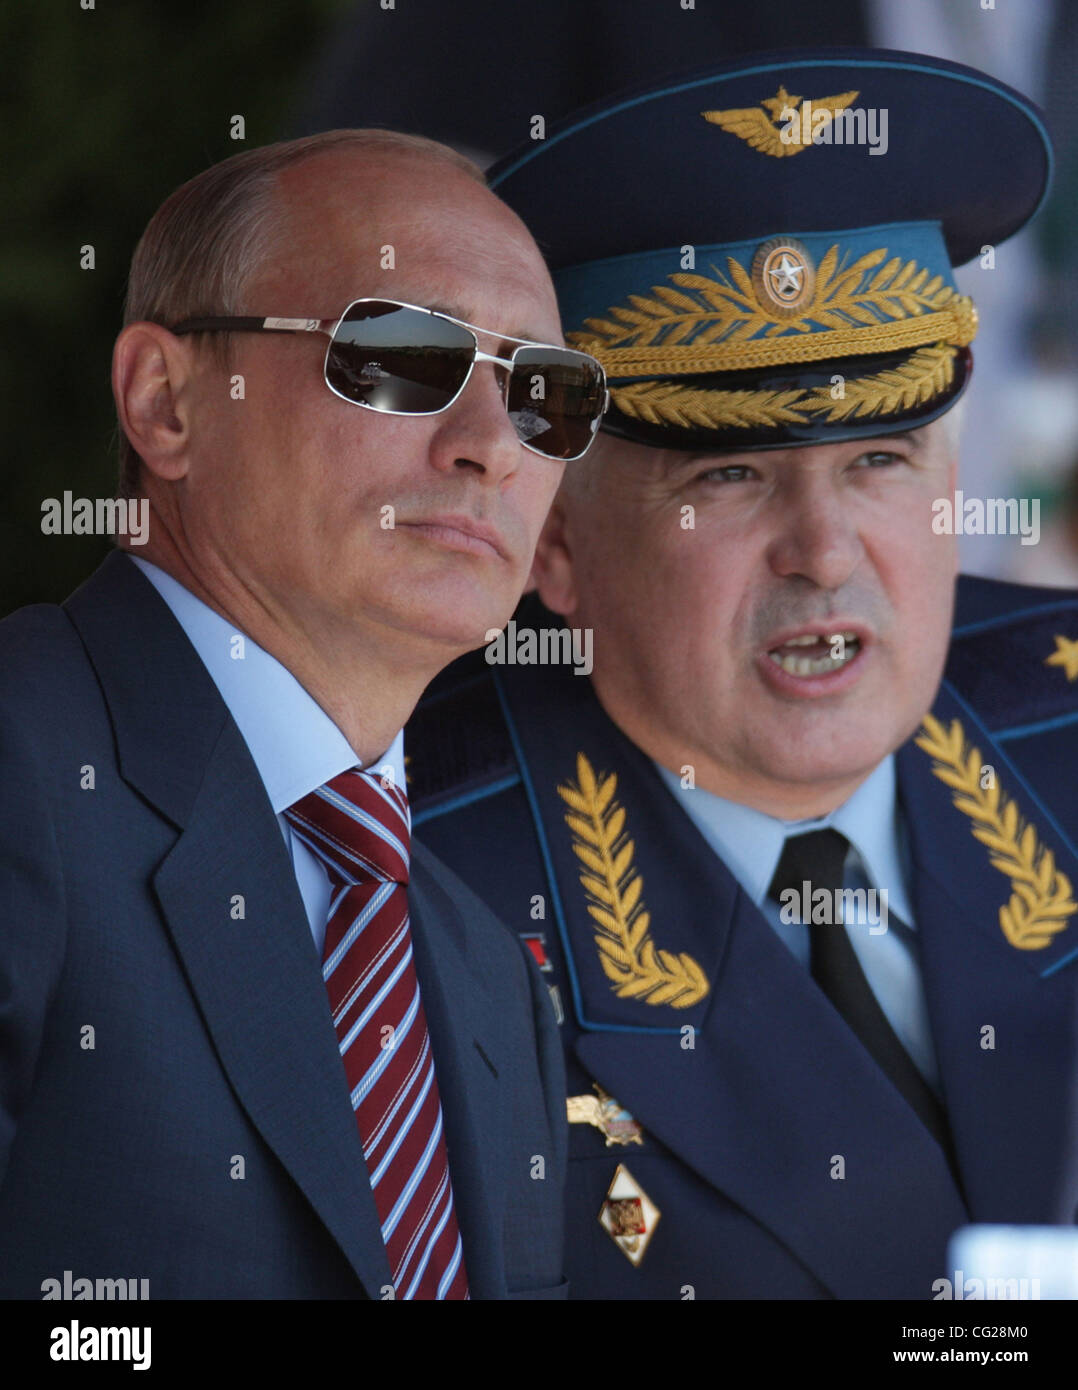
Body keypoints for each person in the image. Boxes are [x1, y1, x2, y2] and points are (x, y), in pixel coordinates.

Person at [407, 52, 1078, 1298]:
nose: (823, 554)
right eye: (728, 476)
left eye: (880, 459)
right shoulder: (407, 896)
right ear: (553, 539)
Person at [0, 129, 609, 1300]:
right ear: (164, 401)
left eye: (544, 391)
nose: (492, 443)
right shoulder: (26, 768)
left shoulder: (484, 974)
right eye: (399, 352)